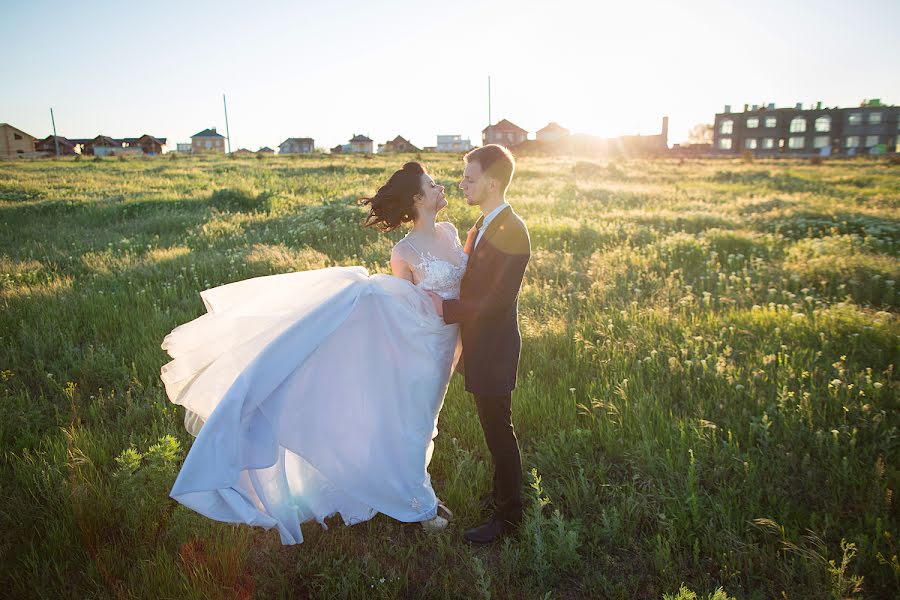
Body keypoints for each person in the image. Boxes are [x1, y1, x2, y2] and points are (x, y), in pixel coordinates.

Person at [160, 162, 464, 544]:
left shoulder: (451, 234)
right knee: (413, 423)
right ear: (418, 198)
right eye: (432, 184)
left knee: (427, 420)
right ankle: (419, 503)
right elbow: (401, 307)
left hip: (448, 342)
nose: (441, 188)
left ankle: (403, 488)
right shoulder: (403, 251)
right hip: (420, 345)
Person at [427, 144, 531, 544]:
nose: (462, 184)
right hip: (481, 347)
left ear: (491, 182)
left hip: (495, 349)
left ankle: (509, 518)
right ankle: (502, 496)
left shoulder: (513, 230)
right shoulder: (483, 224)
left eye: (469, 178)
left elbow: (498, 300)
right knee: (493, 428)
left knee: (499, 432)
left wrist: (446, 308)